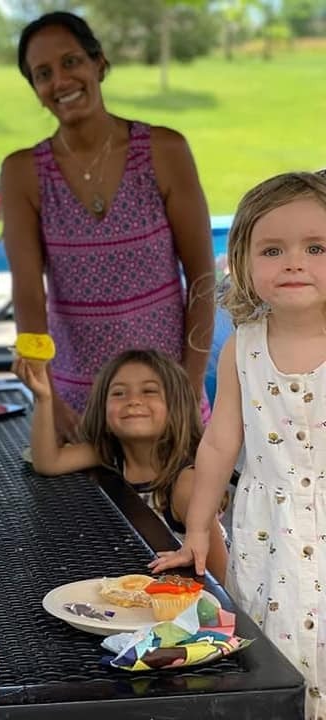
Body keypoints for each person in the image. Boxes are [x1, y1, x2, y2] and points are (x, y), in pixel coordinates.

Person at [152, 171, 326, 718]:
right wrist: (198, 529)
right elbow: (220, 442)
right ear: (243, 264)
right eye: (273, 249)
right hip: (265, 531)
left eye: (316, 247)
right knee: (274, 659)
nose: (294, 262)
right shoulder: (241, 349)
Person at [0, 11, 216, 442]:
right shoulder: (23, 172)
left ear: (99, 63)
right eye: (43, 74)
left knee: (186, 507)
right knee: (86, 512)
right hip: (80, 405)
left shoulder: (163, 150)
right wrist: (50, 402)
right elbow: (27, 292)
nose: (60, 80)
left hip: (167, 395)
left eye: (71, 62)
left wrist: (189, 387)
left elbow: (203, 278)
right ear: (36, 91)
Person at [15, 348, 228, 582]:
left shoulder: (185, 485)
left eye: (149, 391)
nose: (134, 401)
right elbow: (48, 463)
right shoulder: (110, 452)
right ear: (103, 410)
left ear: (177, 406)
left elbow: (221, 577)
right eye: (119, 393)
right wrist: (44, 398)